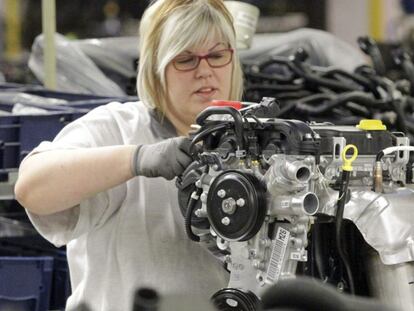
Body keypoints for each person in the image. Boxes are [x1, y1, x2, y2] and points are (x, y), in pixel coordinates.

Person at [14, 0, 243, 310]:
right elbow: (32, 187)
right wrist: (137, 159)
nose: (205, 71)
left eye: (217, 56)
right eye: (186, 59)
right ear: (155, 68)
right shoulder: (117, 128)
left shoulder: (255, 143)